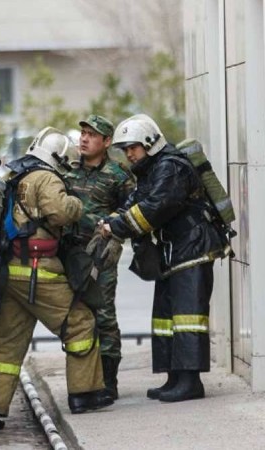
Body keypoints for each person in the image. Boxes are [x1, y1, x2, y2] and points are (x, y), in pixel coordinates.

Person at [0, 128, 112, 432]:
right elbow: (60, 213)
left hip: (10, 274)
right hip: (39, 270)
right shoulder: (46, 178)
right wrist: (76, 204)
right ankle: (84, 395)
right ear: (60, 158)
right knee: (80, 323)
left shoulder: (16, 175)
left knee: (6, 345)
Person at [98, 114, 223, 403]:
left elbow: (155, 208)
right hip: (174, 251)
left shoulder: (170, 167)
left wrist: (116, 226)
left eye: (133, 148)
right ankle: (174, 377)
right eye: (125, 149)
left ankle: (191, 382)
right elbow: (136, 201)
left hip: (193, 248)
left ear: (150, 143)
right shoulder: (152, 167)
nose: (129, 154)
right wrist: (112, 218)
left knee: (188, 317)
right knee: (167, 317)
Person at [64, 114, 135, 400]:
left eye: (92, 135)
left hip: (101, 256)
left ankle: (108, 382)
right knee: (78, 316)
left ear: (106, 142)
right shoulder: (67, 170)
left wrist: (113, 231)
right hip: (71, 253)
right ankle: (85, 379)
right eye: (83, 133)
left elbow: (132, 212)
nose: (84, 139)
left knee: (103, 314)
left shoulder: (119, 175)